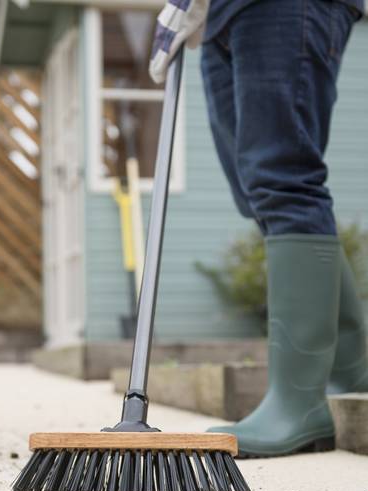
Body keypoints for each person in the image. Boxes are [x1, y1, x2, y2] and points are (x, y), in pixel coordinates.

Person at [150, 0, 368, 457]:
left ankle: (298, 402)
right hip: (219, 15)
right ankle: (353, 370)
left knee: (283, 176)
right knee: (258, 193)